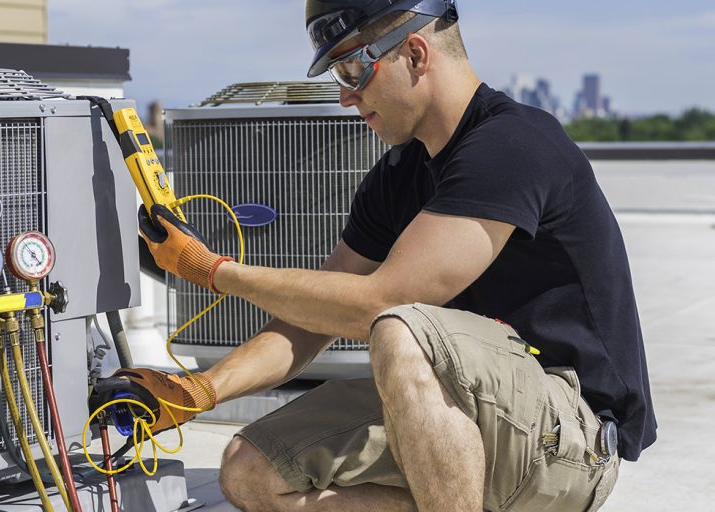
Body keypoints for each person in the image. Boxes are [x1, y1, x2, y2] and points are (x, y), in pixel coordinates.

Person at [92, 0, 657, 510]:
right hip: (478, 419)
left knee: (398, 330)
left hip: (570, 435)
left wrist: (214, 271)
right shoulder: (397, 176)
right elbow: (310, 324)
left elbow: (379, 303)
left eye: (353, 70)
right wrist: (203, 389)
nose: (345, 95)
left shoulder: (514, 145)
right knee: (250, 470)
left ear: (414, 53)